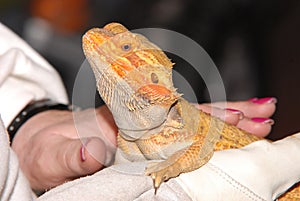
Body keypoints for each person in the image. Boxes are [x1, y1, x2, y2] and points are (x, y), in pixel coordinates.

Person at [0, 22, 299, 200]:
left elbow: (195, 149)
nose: (100, 37)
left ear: (152, 79)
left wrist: (22, 117)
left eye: (126, 48)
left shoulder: (169, 128)